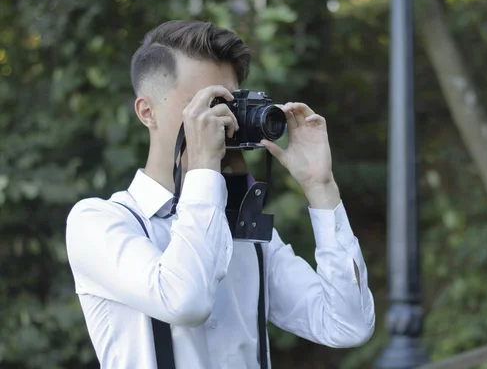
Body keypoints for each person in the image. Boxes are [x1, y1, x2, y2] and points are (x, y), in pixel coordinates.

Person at [66, 20, 375, 369]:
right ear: (147, 112)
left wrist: (321, 188)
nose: (220, 117)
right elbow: (185, 301)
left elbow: (346, 325)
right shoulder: (98, 222)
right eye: (203, 103)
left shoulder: (244, 230)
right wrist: (203, 170)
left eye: (228, 101)